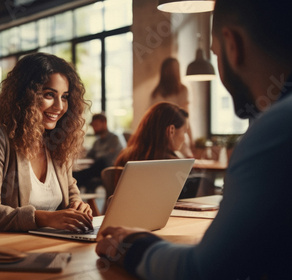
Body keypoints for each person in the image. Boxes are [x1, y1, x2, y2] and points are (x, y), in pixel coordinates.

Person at [95, 0, 292, 279]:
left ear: (231, 44)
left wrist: (132, 244)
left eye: (215, 53)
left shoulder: (274, 129)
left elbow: (202, 270)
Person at [0, 53, 93, 236]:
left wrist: (78, 205)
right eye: (49, 95)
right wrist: (45, 218)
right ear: (25, 96)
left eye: (64, 97)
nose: (59, 106)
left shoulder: (57, 141)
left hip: (43, 247)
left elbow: (70, 190)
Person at [114, 102, 189, 167]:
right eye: (184, 132)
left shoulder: (124, 157)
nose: (184, 139)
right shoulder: (172, 166)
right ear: (171, 130)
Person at [150, 57, 193, 158]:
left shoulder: (155, 93)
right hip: (176, 133)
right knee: (186, 163)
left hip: (157, 137)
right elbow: (185, 116)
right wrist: (191, 138)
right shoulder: (182, 90)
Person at [73, 113, 123, 192]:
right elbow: (89, 155)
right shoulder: (97, 142)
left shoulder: (115, 138)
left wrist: (96, 157)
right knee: (79, 174)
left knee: (101, 161)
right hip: (96, 170)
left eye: (96, 125)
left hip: (110, 170)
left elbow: (109, 159)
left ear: (104, 123)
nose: (94, 128)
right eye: (93, 126)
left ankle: (76, 179)